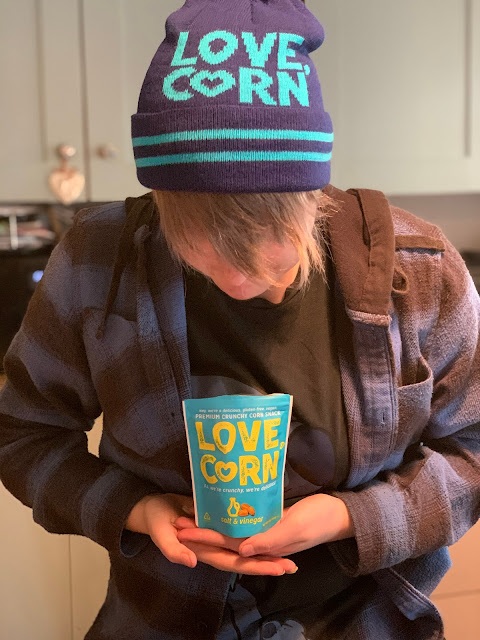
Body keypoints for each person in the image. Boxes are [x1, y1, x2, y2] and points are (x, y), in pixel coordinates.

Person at [0, 1, 479, 638]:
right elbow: (22, 435)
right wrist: (137, 509)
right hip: (158, 619)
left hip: (369, 621)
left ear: (311, 198)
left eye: (267, 248)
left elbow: (472, 452)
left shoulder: (418, 273)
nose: (236, 280)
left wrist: (345, 517)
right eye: (200, 246)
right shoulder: (97, 261)